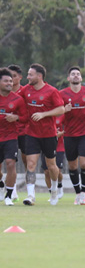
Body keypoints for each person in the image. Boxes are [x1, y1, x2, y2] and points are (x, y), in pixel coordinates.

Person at [18, 63, 65, 206]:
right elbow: (13, 98)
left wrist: (44, 114)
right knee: (31, 164)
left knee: (51, 165)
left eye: (30, 74)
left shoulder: (51, 91)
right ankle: (30, 195)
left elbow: (61, 109)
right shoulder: (26, 90)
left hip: (49, 134)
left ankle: (55, 190)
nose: (28, 77)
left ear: (39, 76)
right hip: (32, 134)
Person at [60, 66, 85, 205]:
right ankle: (77, 193)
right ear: (68, 78)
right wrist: (64, 109)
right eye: (73, 74)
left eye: (78, 74)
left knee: (84, 163)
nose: (76, 76)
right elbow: (57, 110)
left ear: (81, 78)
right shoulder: (62, 93)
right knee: (73, 166)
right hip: (69, 134)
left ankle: (84, 193)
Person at [0, 67, 27, 206]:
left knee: (11, 164)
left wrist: (16, 117)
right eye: (6, 81)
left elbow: (25, 117)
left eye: (11, 81)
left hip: (11, 137)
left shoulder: (18, 99)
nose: (9, 83)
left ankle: (9, 196)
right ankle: (0, 185)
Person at [8, 64, 27, 199]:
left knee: (27, 160)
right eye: (9, 76)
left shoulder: (26, 92)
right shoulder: (4, 93)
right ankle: (12, 189)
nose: (11, 79)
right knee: (10, 161)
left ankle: (29, 188)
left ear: (20, 77)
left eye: (14, 76)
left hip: (25, 131)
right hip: (9, 133)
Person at [42, 115, 65, 203]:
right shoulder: (45, 114)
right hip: (46, 144)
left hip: (59, 146)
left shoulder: (62, 114)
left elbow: (68, 128)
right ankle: (51, 193)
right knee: (47, 172)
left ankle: (59, 185)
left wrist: (61, 133)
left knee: (57, 169)